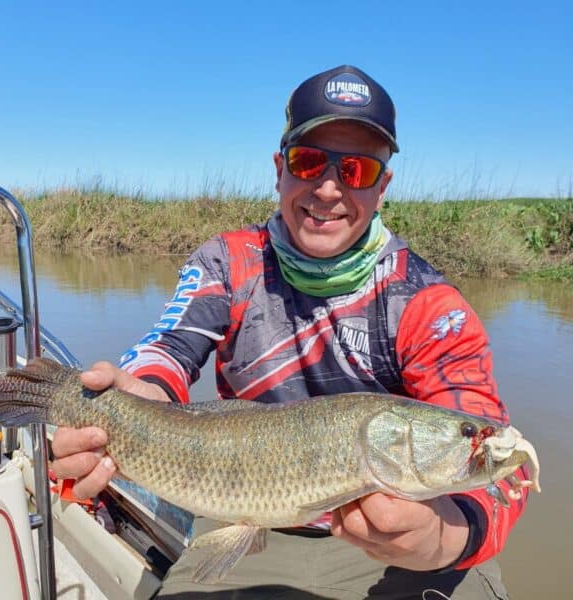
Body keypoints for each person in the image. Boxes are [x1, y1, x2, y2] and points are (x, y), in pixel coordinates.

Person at [52, 65, 527, 599]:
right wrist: (128, 404)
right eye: (308, 162)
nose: (328, 189)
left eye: (356, 169)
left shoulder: (428, 303)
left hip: (404, 546)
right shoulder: (226, 262)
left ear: (383, 185)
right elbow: (169, 349)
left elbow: (502, 467)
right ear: (280, 168)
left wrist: (443, 537)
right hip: (247, 524)